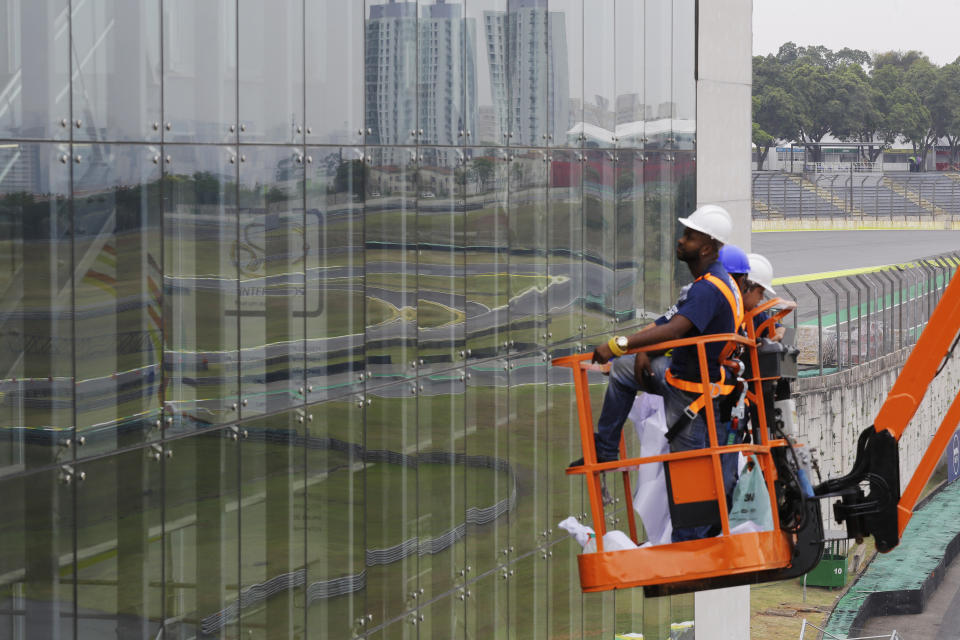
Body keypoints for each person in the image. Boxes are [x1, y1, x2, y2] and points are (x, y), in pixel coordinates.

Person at [568, 204, 741, 542]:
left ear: (706, 246)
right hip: (680, 377)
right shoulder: (710, 283)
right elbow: (667, 323)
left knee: (687, 473)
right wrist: (641, 351)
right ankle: (605, 451)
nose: (680, 240)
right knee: (623, 371)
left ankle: (687, 548)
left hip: (692, 392)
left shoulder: (709, 288)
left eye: (689, 236)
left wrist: (619, 344)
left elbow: (676, 330)